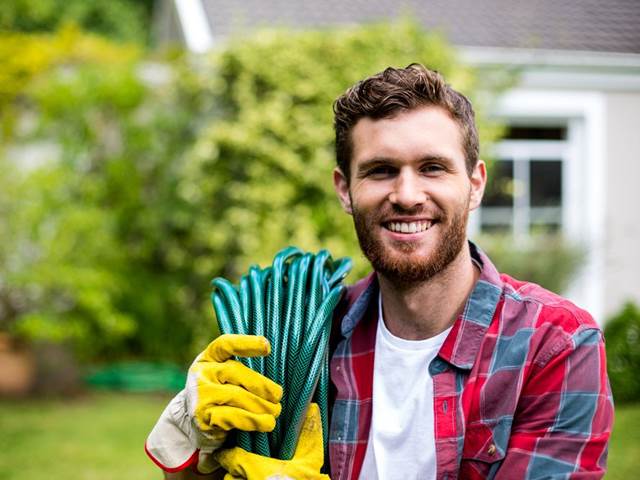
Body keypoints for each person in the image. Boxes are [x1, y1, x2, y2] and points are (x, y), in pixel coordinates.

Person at [146, 64, 614, 479]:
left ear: (474, 185)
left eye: (432, 168)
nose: (407, 194)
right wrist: (190, 430)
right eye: (381, 170)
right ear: (345, 189)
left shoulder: (555, 344)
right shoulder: (304, 337)